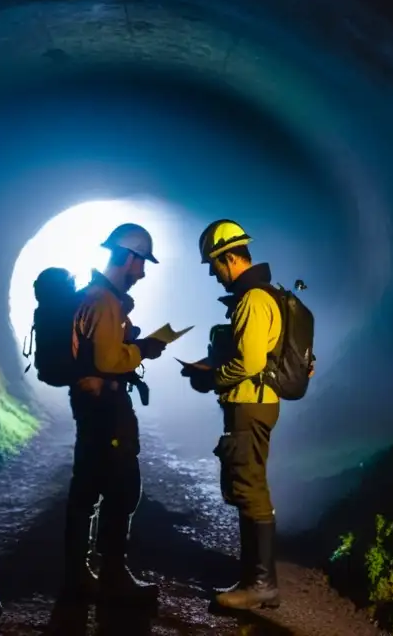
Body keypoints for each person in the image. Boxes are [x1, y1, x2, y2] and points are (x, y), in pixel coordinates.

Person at [62, 222, 167, 603]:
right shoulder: (105, 302)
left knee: (88, 485)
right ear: (128, 257)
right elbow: (108, 358)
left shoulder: (93, 296)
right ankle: (112, 573)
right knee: (121, 486)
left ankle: (78, 572)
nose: (142, 273)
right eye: (142, 263)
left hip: (90, 403)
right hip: (106, 404)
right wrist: (144, 349)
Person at [182, 219, 283, 610]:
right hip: (253, 401)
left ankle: (260, 585)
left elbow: (252, 361)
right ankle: (255, 580)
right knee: (246, 485)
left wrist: (214, 378)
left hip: (249, 402)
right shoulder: (260, 295)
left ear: (229, 259)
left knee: (250, 486)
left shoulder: (253, 300)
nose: (213, 273)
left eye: (213, 265)